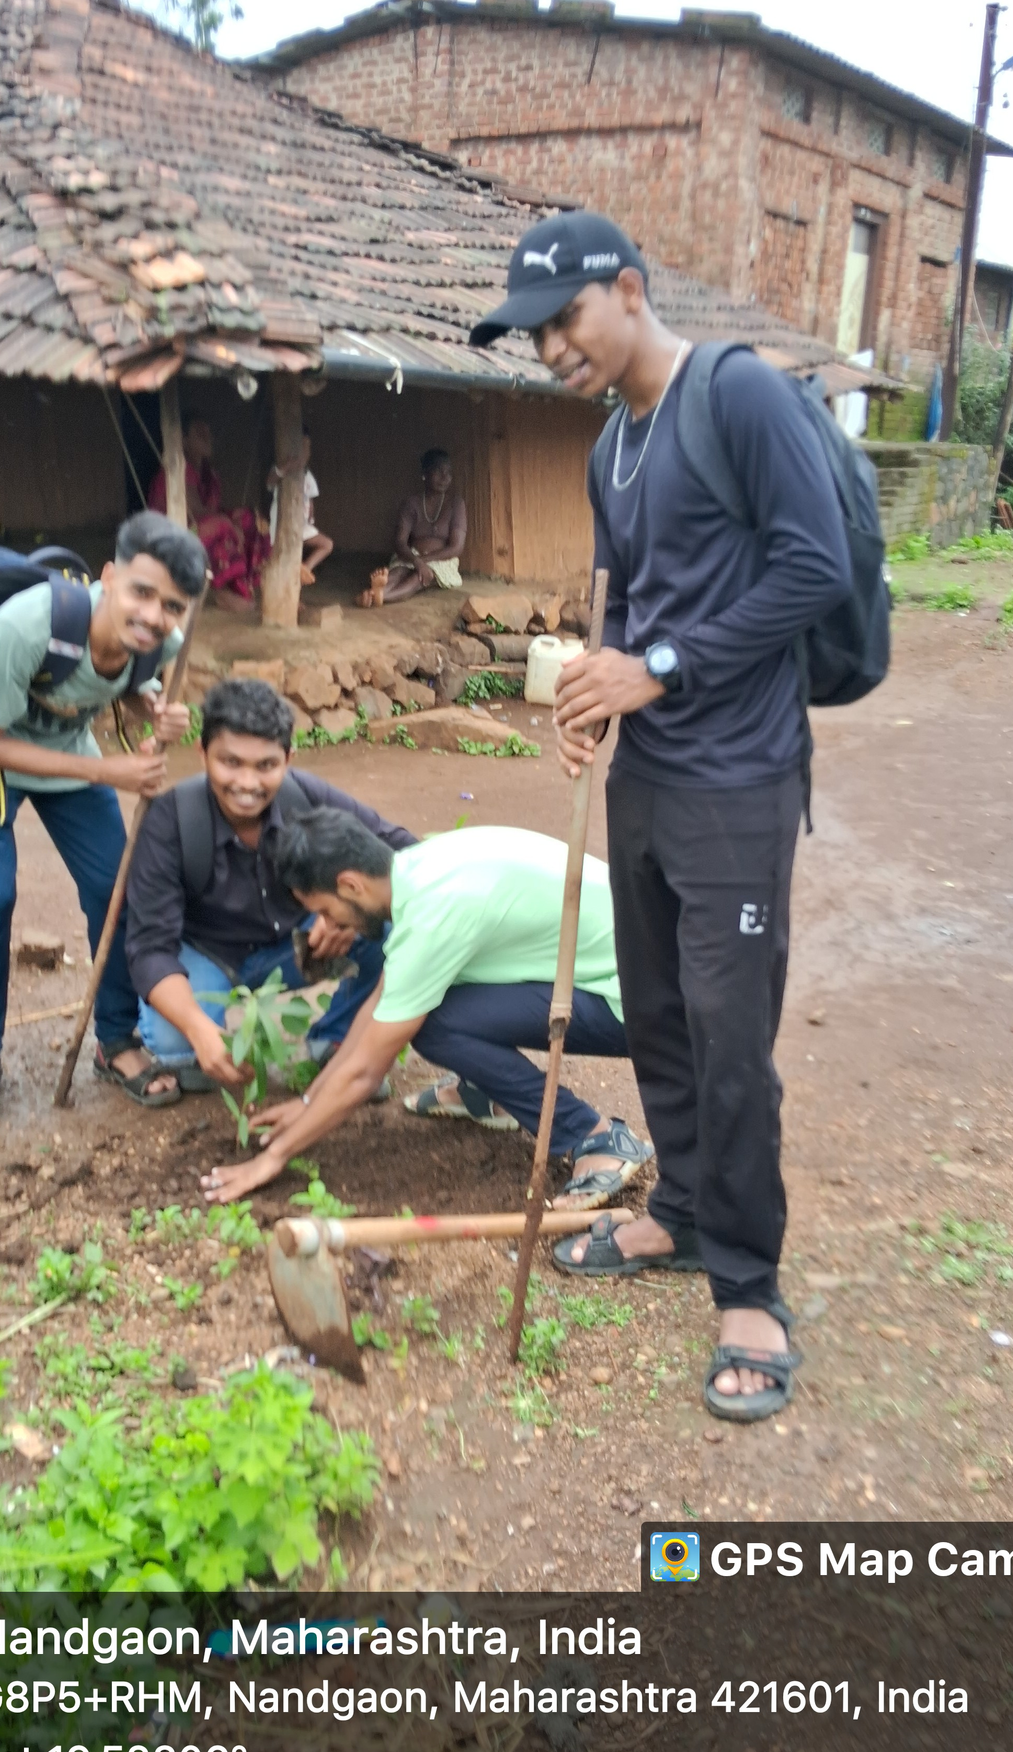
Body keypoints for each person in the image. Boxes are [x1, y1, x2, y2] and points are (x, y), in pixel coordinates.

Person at [471, 209, 851, 1422]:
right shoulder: (608, 446)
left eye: (562, 322)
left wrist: (661, 669)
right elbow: (623, 597)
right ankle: (680, 1213)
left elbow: (815, 566)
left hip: (737, 780)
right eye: (533, 339)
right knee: (662, 1019)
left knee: (732, 1040)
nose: (551, 352)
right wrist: (594, 686)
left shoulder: (737, 397)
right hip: (645, 776)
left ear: (627, 289)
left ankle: (749, 1288)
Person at [199, 808, 652, 1209]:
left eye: (327, 910)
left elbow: (365, 1071)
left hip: (641, 1004)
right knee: (419, 1005)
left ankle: (593, 1137)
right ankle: (486, 1088)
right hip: (639, 964)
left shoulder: (433, 915)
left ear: (350, 884)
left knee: (433, 1024)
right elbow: (382, 1002)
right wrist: (308, 1100)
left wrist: (273, 1157)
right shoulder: (423, 865)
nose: (331, 926)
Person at [0, 511, 205, 1128]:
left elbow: (121, 686)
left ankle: (116, 1040)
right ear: (108, 578)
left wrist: (154, 706)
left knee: (117, 889)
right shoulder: (28, 626)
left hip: (62, 745)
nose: (154, 615)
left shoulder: (159, 643)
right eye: (141, 593)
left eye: (172, 605)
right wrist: (110, 772)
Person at [126, 679, 416, 1093]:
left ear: (288, 759)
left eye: (266, 766)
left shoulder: (306, 796)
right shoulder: (170, 820)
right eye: (230, 763)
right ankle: (192, 1037)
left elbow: (401, 854)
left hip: (297, 946)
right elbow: (150, 947)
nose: (247, 783)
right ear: (203, 753)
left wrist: (347, 918)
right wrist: (198, 1029)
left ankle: (335, 1043)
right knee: (181, 1050)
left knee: (387, 932)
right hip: (208, 953)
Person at [148, 412, 268, 607]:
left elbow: (212, 509)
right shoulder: (178, 469)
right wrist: (229, 523)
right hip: (174, 534)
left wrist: (235, 521)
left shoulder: (208, 473)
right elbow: (195, 512)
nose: (208, 438)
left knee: (248, 518)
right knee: (222, 525)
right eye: (199, 433)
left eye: (208, 433)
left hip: (199, 526)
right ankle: (222, 591)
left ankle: (249, 583)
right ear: (184, 441)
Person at [359, 449, 468, 606]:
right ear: (425, 473)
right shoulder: (412, 504)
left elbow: (456, 548)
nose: (445, 477)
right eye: (438, 471)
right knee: (397, 573)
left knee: (418, 578)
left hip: (442, 560)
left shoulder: (456, 504)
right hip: (412, 555)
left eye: (448, 472)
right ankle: (373, 594)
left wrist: (422, 562)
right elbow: (400, 542)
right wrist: (415, 560)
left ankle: (378, 596)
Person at [266, 435, 333, 584]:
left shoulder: (308, 475)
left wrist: (311, 518)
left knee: (326, 544)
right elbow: (270, 481)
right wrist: (286, 468)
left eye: (307, 448)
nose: (305, 452)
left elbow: (310, 499)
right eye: (302, 447)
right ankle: (288, 595)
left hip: (301, 526)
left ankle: (304, 569)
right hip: (281, 526)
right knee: (284, 561)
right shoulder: (281, 470)